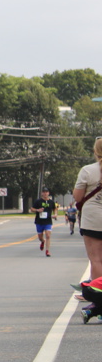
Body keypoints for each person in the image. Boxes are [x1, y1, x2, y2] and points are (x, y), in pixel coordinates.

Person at [73, 138, 102, 323]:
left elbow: (78, 197)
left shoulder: (88, 170)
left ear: (95, 151)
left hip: (93, 219)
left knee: (96, 259)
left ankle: (99, 302)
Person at [31, 187, 58, 257]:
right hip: (39, 221)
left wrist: (55, 214)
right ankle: (43, 241)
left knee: (48, 235)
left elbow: (55, 208)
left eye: (46, 192)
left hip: (48, 221)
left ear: (48, 193)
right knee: (40, 237)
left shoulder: (51, 202)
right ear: (42, 193)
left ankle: (47, 251)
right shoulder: (38, 201)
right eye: (44, 192)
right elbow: (32, 209)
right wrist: (38, 210)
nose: (45, 193)